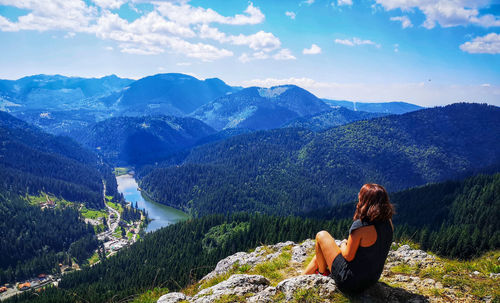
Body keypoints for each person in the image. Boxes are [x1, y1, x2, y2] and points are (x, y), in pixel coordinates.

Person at [302, 183, 394, 293]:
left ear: (364, 201)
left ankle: (322, 275)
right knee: (320, 256)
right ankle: (298, 280)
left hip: (350, 282)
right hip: (371, 279)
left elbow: (347, 256)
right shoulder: (388, 222)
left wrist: (343, 244)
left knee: (321, 235)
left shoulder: (360, 226)